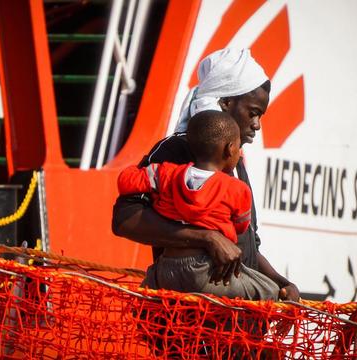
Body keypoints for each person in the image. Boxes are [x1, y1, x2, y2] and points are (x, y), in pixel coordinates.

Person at [112, 48, 300, 301]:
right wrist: (207, 238)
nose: (257, 125)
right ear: (226, 103)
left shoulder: (235, 161)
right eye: (253, 113)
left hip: (234, 325)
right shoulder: (176, 149)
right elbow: (125, 219)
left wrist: (282, 283)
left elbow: (247, 245)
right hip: (187, 321)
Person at [117, 110, 279, 300]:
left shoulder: (166, 174)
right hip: (206, 271)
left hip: (166, 268)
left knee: (149, 297)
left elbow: (125, 181)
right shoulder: (237, 189)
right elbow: (242, 226)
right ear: (229, 149)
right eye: (238, 150)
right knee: (270, 290)